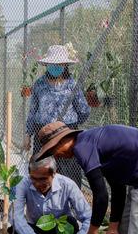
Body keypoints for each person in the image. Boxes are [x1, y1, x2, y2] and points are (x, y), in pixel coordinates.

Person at [23, 44, 90, 183]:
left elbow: (84, 110)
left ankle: (67, 203)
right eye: (52, 63)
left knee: (67, 173)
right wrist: (28, 134)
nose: (55, 66)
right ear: (47, 64)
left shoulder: (72, 85)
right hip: (43, 133)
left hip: (66, 134)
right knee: (43, 169)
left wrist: (72, 125)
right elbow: (33, 110)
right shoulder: (39, 84)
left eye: (59, 63)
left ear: (65, 65)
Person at [9, 156, 92, 234]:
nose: (38, 184)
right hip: (37, 229)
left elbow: (88, 217)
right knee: (14, 230)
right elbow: (15, 217)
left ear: (54, 174)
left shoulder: (68, 185)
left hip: (60, 231)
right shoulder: (22, 184)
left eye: (43, 179)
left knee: (70, 222)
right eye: (33, 178)